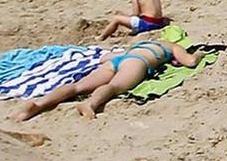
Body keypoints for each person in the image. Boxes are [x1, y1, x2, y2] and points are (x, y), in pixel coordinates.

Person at [22, 32, 197, 119]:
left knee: (78, 86)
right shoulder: (171, 46)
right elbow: (190, 62)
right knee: (113, 87)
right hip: (136, 62)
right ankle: (90, 104)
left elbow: (106, 57)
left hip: (119, 58)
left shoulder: (139, 44)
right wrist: (198, 55)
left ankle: (39, 104)